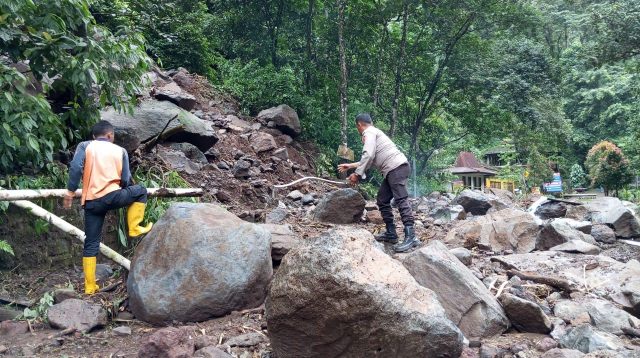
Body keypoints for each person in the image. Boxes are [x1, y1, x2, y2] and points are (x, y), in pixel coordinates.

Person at [64, 120, 153, 294]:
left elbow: (75, 167)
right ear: (110, 135)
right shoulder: (120, 151)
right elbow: (125, 180)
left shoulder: (85, 146)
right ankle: (134, 228)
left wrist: (70, 191)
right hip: (113, 197)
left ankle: (90, 287)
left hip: (91, 202)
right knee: (141, 190)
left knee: (91, 243)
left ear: (94, 136)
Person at [338, 113, 418, 253]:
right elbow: (371, 158)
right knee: (382, 199)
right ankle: (391, 233)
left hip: (396, 168)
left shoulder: (369, 132)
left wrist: (357, 174)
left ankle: (411, 236)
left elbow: (368, 155)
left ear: (359, 125)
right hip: (394, 169)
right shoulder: (375, 132)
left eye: (357, 128)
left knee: (401, 199)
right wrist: (350, 166)